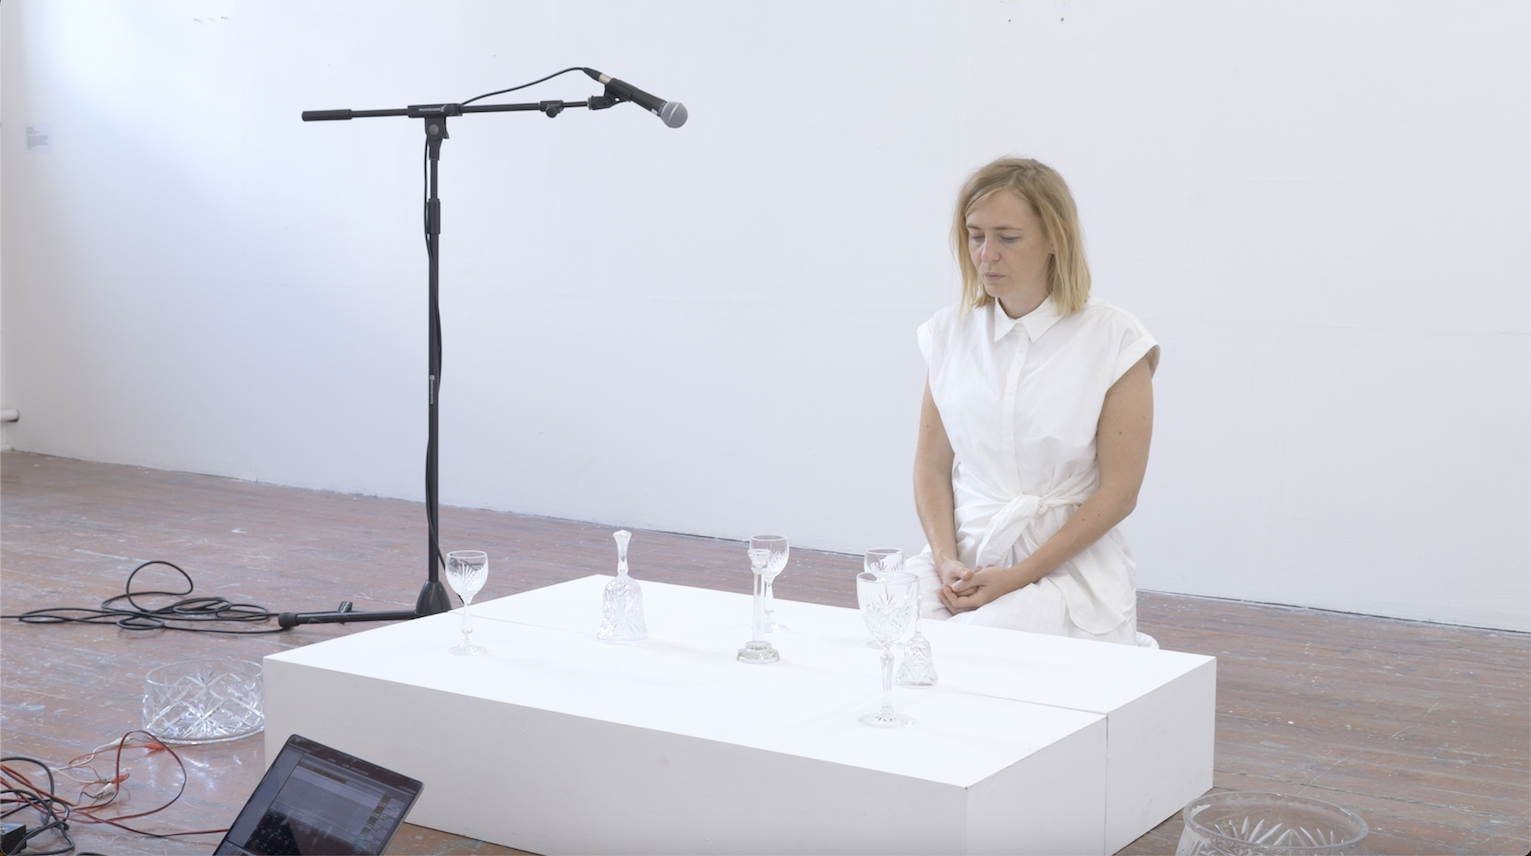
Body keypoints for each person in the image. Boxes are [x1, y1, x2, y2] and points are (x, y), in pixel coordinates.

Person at [908, 157, 1159, 645]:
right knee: (885, 628)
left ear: (1056, 238)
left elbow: (1120, 493)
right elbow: (931, 468)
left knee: (977, 647)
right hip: (962, 560)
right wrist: (944, 561)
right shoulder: (948, 335)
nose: (986, 255)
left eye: (1008, 237)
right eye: (975, 235)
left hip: (1065, 569)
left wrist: (1016, 576)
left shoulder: (1116, 340)